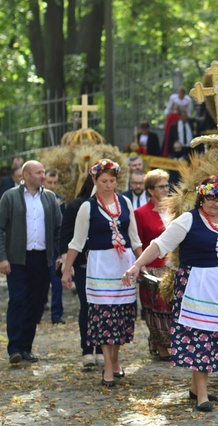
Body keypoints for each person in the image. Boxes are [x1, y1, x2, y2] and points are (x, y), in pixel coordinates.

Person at [124, 176, 218, 412]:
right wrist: (137, 265)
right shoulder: (188, 219)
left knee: (215, 337)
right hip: (196, 286)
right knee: (200, 337)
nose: (216, 203)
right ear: (201, 197)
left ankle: (196, 388)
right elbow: (159, 245)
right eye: (211, 198)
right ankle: (203, 395)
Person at [61, 159, 142, 388]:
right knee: (104, 316)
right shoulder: (87, 206)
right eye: (104, 181)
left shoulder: (125, 202)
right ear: (94, 180)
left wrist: (141, 262)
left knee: (121, 315)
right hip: (100, 265)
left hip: (123, 265)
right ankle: (108, 365)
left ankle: (115, 359)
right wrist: (67, 270)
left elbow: (134, 238)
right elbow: (76, 242)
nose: (109, 185)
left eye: (112, 181)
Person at [0, 160, 62, 364]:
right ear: (26, 176)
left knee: (37, 303)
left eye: (43, 172)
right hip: (17, 259)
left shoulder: (50, 199)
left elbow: (59, 229)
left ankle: (26, 347)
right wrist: (2, 258)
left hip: (42, 258)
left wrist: (61, 255)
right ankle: (14, 347)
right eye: (38, 172)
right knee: (18, 300)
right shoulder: (10, 196)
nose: (43, 176)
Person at [59, 174, 103, 368]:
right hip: (84, 265)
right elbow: (66, 237)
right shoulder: (78, 205)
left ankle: (102, 348)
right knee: (87, 305)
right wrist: (67, 266)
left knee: (104, 307)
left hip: (104, 266)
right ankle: (87, 349)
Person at [133, 169, 173, 360]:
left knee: (172, 308)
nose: (166, 189)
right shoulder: (140, 213)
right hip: (152, 267)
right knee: (157, 308)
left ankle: (165, 342)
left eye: (167, 185)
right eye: (161, 186)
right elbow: (137, 242)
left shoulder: (174, 210)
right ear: (150, 190)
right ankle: (160, 344)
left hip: (172, 266)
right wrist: (142, 266)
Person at [44, 168, 66, 325]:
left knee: (56, 281)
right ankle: (37, 312)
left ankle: (56, 314)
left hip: (55, 246)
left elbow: (62, 227)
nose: (52, 186)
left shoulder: (60, 201)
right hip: (40, 244)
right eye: (49, 182)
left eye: (54, 183)